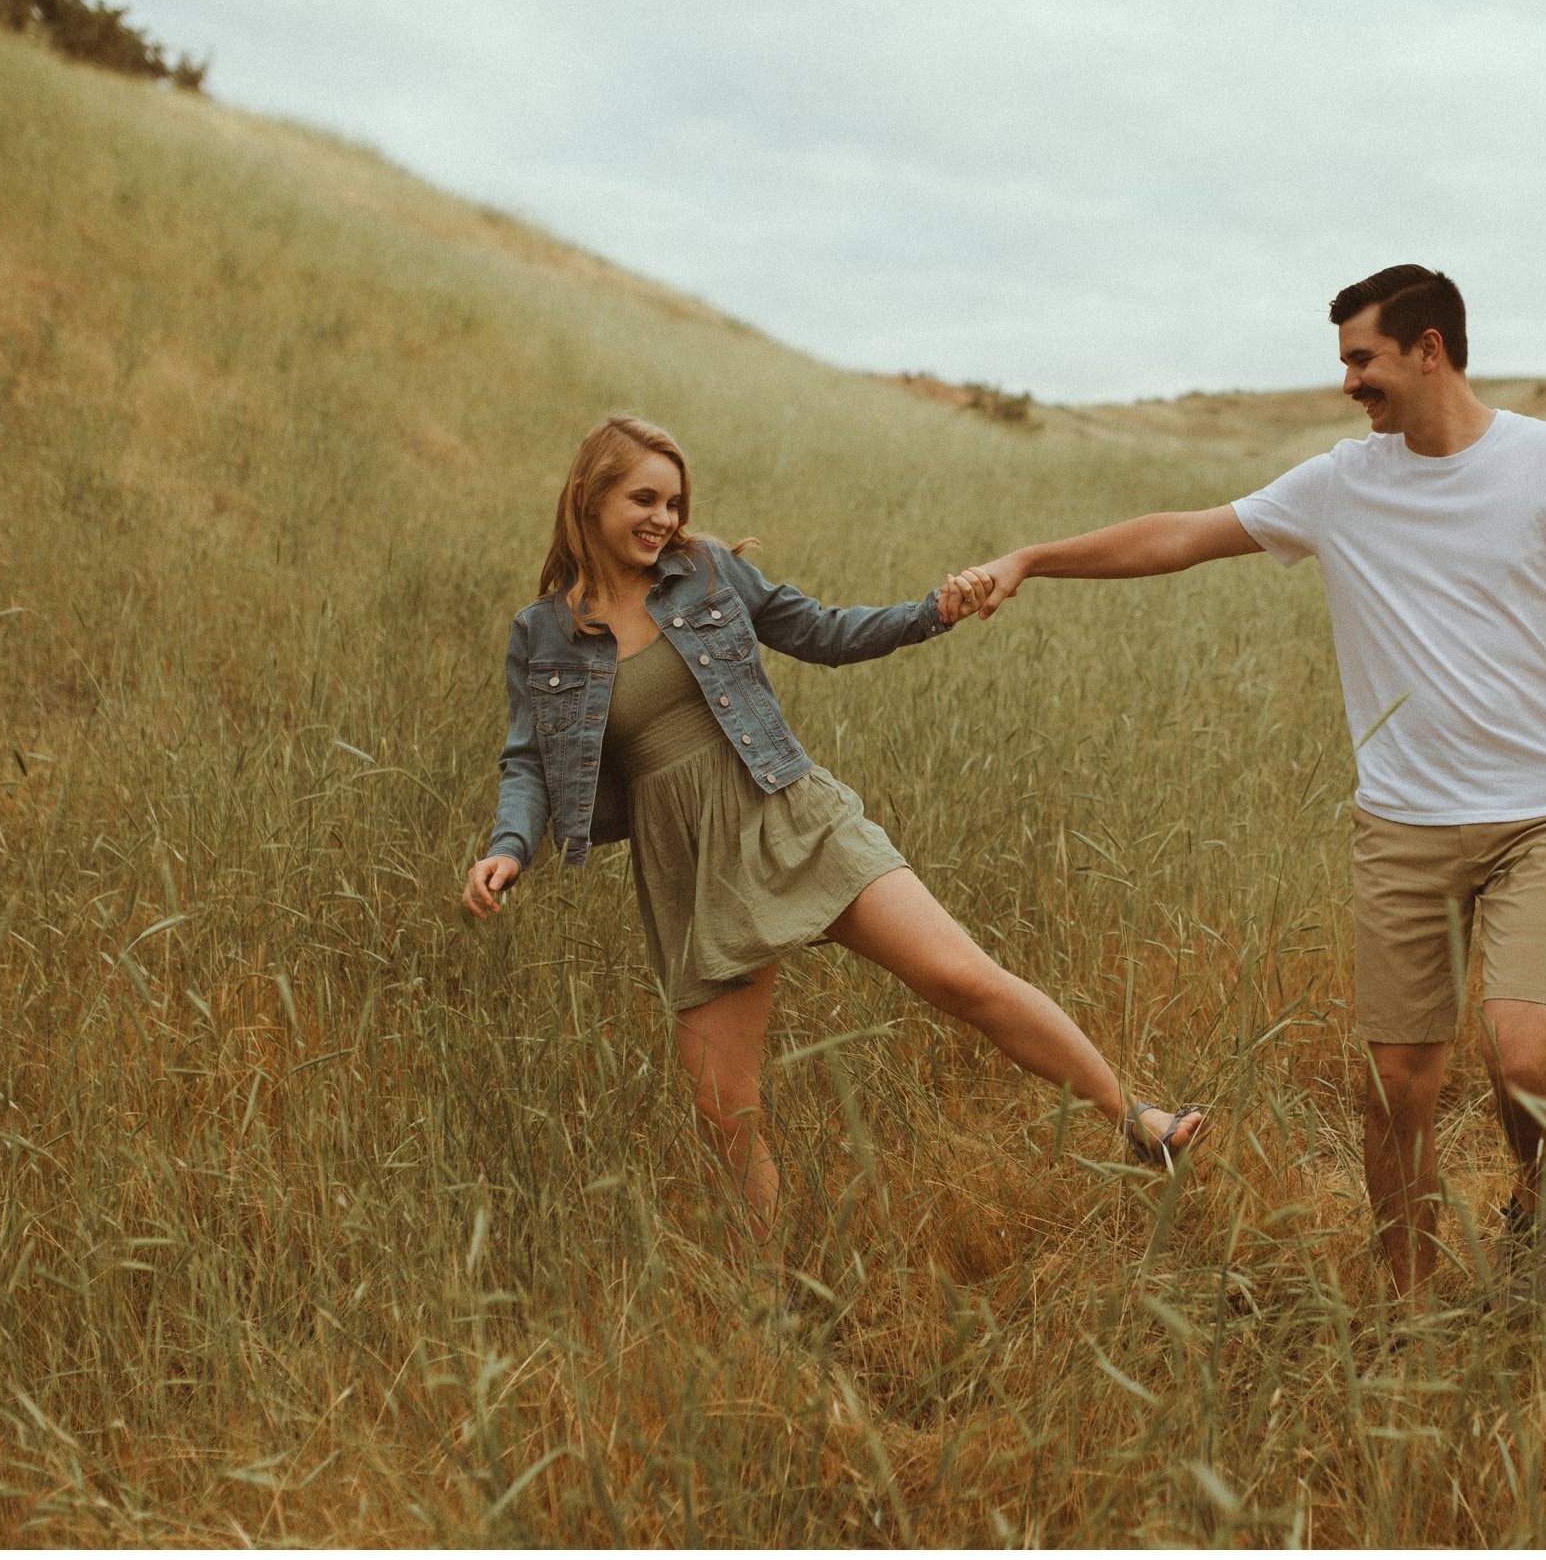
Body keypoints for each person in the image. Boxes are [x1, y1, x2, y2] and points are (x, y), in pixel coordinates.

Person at [953, 266, 1546, 1300]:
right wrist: (1033, 557)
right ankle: (1407, 1300)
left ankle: (1536, 1205)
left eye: (1361, 359)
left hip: (1540, 818)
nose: (1349, 384)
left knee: (1525, 1059)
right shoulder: (1340, 482)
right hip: (1403, 827)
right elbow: (1181, 535)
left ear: (1428, 348)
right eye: (1344, 363)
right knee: (1395, 1093)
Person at [463, 414, 1204, 1263]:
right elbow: (527, 760)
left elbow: (820, 631)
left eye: (674, 502)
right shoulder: (543, 632)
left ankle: (1139, 1122)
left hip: (790, 813)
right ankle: (766, 1302)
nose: (664, 519)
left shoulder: (706, 572)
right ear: (588, 496)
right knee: (723, 1110)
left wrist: (932, 612)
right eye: (644, 499)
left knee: (963, 977)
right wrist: (508, 847)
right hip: (694, 867)